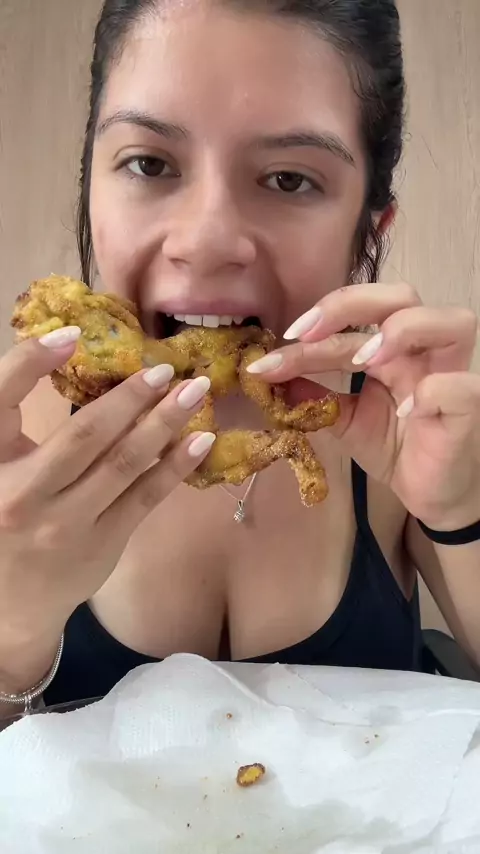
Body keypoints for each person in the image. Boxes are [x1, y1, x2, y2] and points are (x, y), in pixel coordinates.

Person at [1, 0, 479, 717]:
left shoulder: (401, 421)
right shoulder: (22, 446)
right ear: (89, 184)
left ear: (369, 229)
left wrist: (463, 508)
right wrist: (11, 630)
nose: (207, 241)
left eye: (289, 179)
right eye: (150, 163)